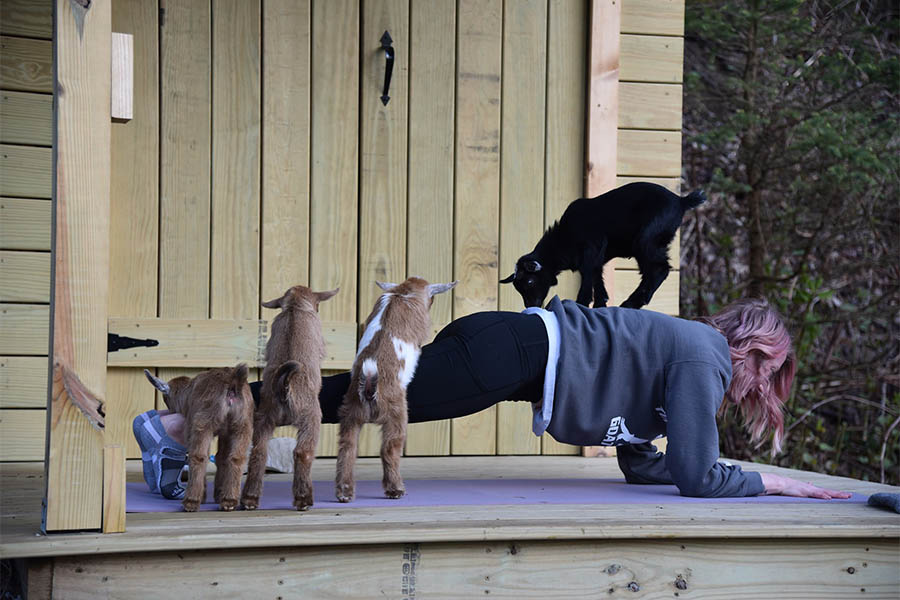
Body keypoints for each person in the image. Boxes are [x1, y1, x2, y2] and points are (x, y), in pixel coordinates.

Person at [133, 296, 850, 500]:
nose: (758, 390)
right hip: (512, 352)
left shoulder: (681, 352)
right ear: (755, 354)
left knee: (355, 394)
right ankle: (174, 423)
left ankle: (180, 424)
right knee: (351, 396)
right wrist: (774, 483)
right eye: (769, 374)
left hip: (507, 348)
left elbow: (642, 464)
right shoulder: (704, 357)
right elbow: (697, 476)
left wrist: (673, 455)